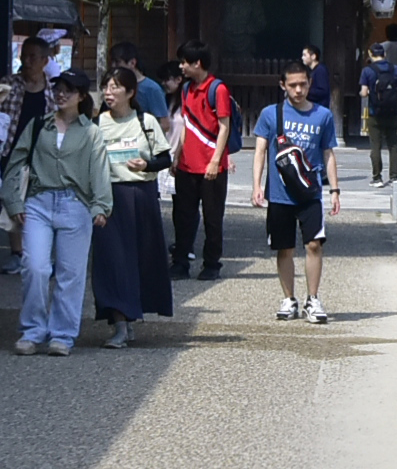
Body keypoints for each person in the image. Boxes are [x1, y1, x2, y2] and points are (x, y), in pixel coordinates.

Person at [4, 71, 112, 356]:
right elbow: (15, 163)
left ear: (81, 96)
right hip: (38, 202)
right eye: (58, 89)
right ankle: (32, 330)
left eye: (68, 89)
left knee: (71, 273)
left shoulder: (90, 131)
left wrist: (101, 205)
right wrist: (14, 202)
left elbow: (100, 170)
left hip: (75, 204)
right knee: (35, 267)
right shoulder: (39, 125)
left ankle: (62, 334)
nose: (61, 94)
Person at [252, 60, 341, 323]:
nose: (299, 90)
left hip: (309, 192)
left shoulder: (322, 116)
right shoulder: (271, 114)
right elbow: (259, 151)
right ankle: (289, 298)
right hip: (279, 192)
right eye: (293, 85)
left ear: (310, 83)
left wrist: (334, 189)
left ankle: (312, 298)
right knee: (285, 248)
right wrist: (256, 185)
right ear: (283, 85)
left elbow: (328, 153)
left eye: (303, 84)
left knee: (314, 244)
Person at [93, 66, 174, 347]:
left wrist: (146, 164)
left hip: (141, 194)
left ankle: (132, 316)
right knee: (111, 261)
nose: (108, 92)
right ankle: (118, 323)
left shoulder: (146, 121)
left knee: (140, 258)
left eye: (115, 87)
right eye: (106, 86)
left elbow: (165, 159)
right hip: (108, 196)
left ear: (130, 92)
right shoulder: (96, 123)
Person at [170, 40, 232, 280]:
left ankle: (212, 263)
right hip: (187, 163)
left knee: (212, 218)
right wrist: (177, 154)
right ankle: (181, 260)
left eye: (185, 62)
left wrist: (216, 160)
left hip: (210, 164)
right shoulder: (186, 89)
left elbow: (224, 126)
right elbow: (185, 123)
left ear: (198, 63)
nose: (181, 66)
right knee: (183, 216)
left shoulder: (218, 89)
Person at [0, 35, 52, 277]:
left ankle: (40, 253)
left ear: (45, 60)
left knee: (40, 201)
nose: (27, 61)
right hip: (11, 149)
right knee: (12, 200)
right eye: (24, 55)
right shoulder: (8, 84)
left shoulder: (53, 89)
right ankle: (17, 253)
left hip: (43, 152)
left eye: (33, 56)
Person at [359, 43, 397, 186]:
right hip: (392, 111)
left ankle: (377, 178)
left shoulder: (367, 70)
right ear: (384, 54)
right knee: (393, 145)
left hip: (375, 112)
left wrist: (364, 92)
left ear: (371, 54)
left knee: (375, 146)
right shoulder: (394, 68)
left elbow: (364, 92)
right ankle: (394, 176)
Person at [108, 42, 170, 126]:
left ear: (132, 63)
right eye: (112, 62)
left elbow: (164, 124)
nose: (113, 66)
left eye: (117, 62)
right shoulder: (111, 85)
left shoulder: (151, 88)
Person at [301, 41, 332, 114]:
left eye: (305, 55)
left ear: (313, 56)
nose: (302, 58)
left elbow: (323, 91)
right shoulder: (313, 71)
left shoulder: (320, 70)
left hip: (318, 108)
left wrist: (305, 92)